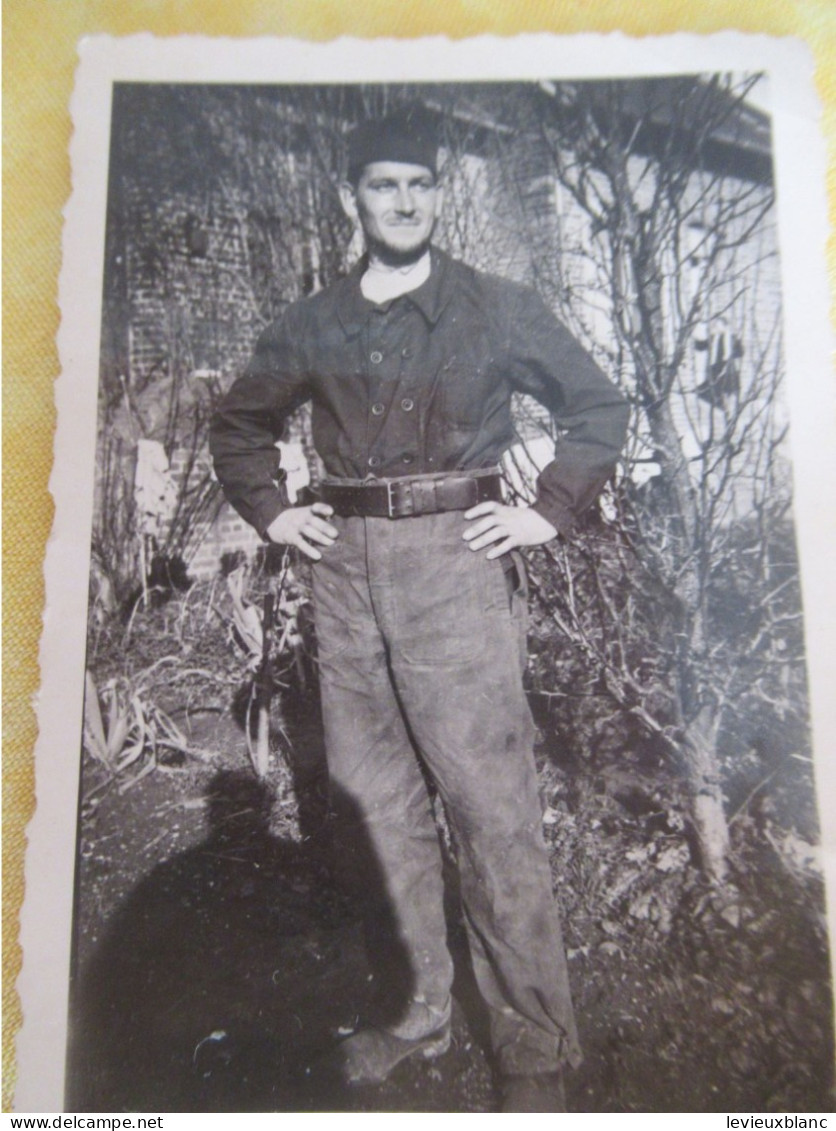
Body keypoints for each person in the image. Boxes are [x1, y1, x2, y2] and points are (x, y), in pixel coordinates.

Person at [210, 106, 629, 1112]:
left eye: (418, 183)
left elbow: (595, 407)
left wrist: (544, 514)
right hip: (343, 573)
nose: (402, 201)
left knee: (490, 813)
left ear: (437, 195)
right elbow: (239, 424)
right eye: (382, 184)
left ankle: (533, 1047)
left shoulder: (495, 307)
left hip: (454, 561)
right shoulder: (312, 320)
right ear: (349, 199)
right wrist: (274, 516)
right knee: (373, 805)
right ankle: (415, 1015)